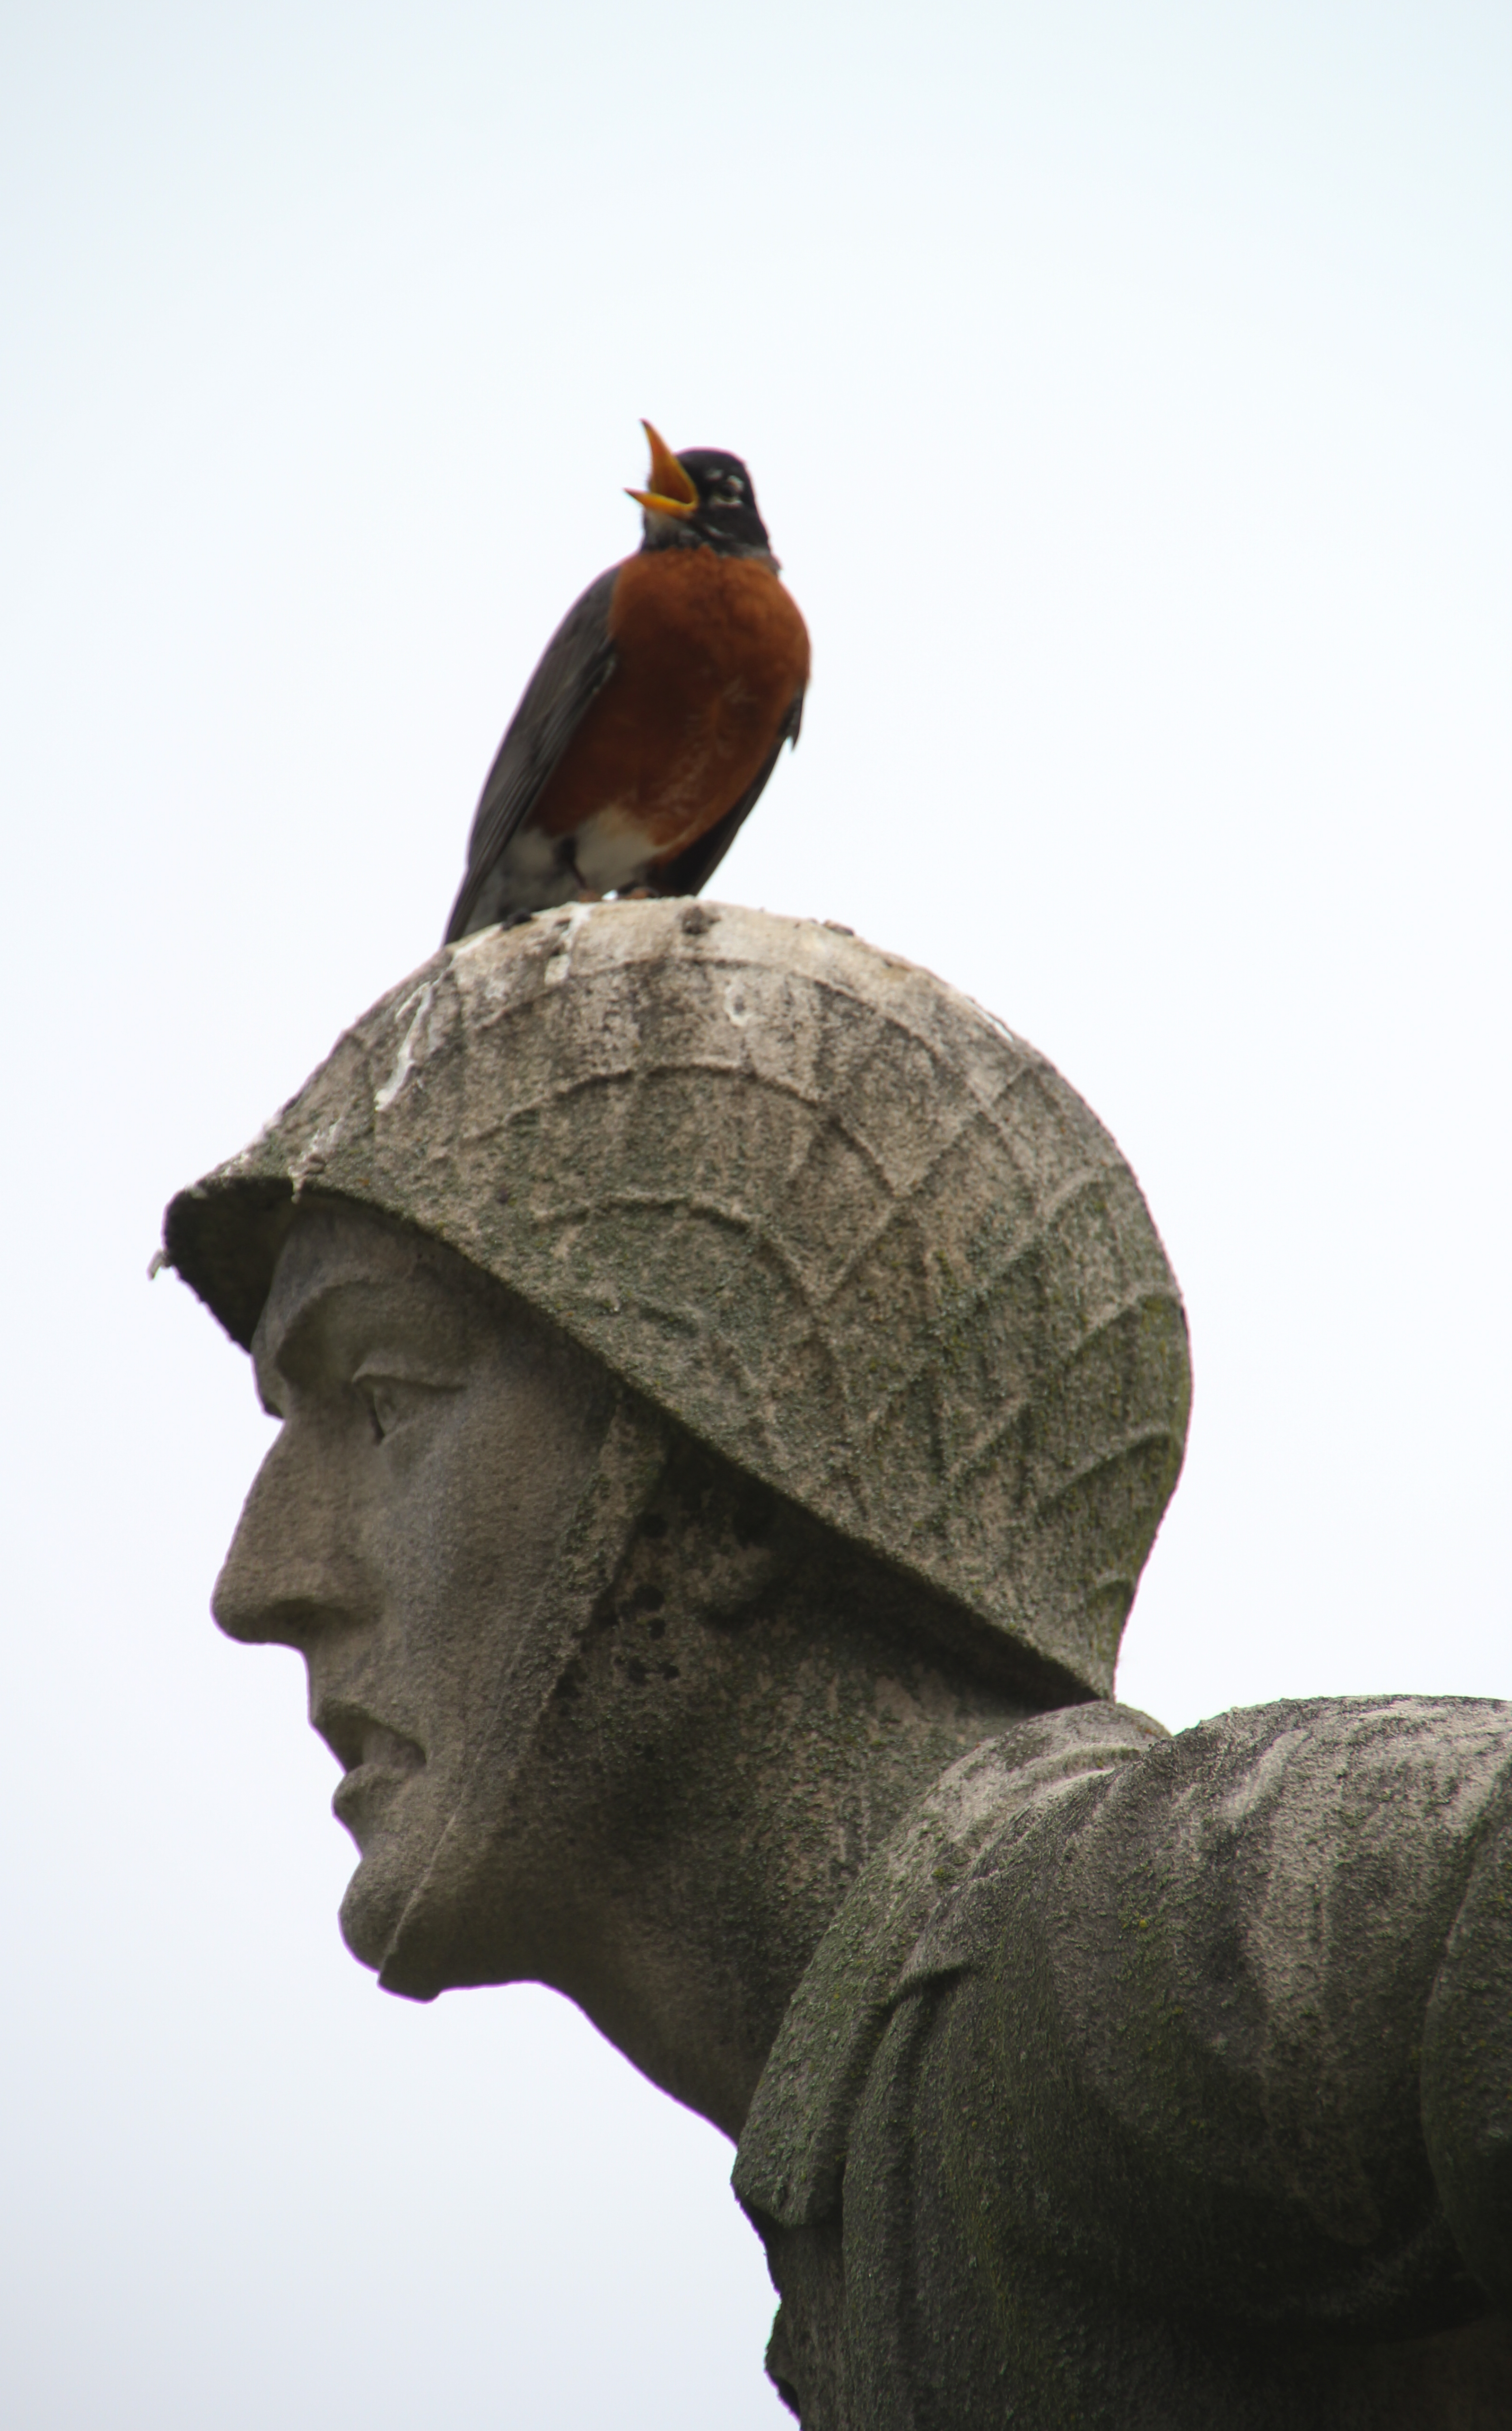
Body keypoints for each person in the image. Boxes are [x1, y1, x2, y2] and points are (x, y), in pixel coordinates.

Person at [164, 900, 1511, 2426]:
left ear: (722, 1483)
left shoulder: (1101, 1934)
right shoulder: (882, 2184)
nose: (261, 1583)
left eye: (388, 1404)